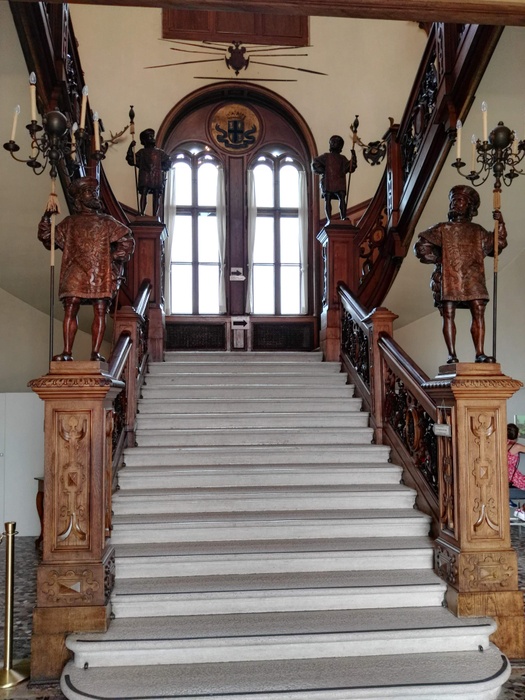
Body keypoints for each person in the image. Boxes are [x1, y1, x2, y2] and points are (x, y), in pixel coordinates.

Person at [38, 176, 135, 362]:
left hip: (99, 272)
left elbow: (127, 240)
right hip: (74, 270)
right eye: (89, 192)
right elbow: (48, 238)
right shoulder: (70, 222)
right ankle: (67, 352)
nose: (95, 195)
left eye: (95, 191)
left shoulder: (106, 221)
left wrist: (113, 258)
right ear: (80, 198)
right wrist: (46, 217)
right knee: (71, 307)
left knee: (100, 309)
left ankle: (95, 353)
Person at [413, 184, 507, 364]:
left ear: (469, 206)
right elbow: (421, 247)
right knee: (448, 312)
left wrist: (500, 223)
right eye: (453, 201)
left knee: (478, 310)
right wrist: (440, 259)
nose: (455, 204)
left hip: (473, 276)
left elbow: (497, 245)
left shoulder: (477, 230)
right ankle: (452, 354)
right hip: (450, 276)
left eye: (460, 201)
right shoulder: (442, 228)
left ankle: (480, 353)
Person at [126, 128, 172, 217]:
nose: (152, 138)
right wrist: (130, 147)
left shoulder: (160, 153)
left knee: (156, 194)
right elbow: (132, 160)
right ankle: (142, 212)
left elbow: (168, 162)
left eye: (152, 136)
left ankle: (155, 215)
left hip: (156, 176)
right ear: (144, 140)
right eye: (150, 136)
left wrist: (160, 168)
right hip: (145, 176)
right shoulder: (142, 152)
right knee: (144, 192)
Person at [311, 135, 357, 223]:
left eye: (336, 143)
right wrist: (323, 171)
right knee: (327, 198)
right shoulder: (326, 156)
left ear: (340, 146)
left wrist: (353, 156)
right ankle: (329, 219)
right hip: (328, 180)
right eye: (332, 142)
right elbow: (315, 162)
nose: (333, 144)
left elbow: (350, 167)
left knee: (341, 197)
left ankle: (343, 216)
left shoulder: (342, 158)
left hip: (339, 180)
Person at [507, 423, 525, 490]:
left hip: (505, 474)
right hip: (512, 477)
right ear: (518, 434)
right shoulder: (517, 447)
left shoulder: (502, 444)